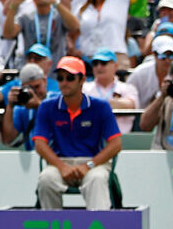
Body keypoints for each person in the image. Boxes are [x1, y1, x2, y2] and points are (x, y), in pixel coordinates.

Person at [33, 56, 123, 211]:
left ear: (82, 80)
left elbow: (116, 144)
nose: (64, 82)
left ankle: (100, 228)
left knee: (97, 178)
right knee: (46, 179)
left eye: (70, 78)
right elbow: (40, 144)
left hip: (94, 163)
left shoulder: (100, 107)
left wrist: (89, 165)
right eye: (60, 78)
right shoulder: (47, 107)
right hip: (59, 162)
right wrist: (62, 167)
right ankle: (52, 227)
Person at [0, 63, 52, 150]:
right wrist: (10, 106)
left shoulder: (56, 100)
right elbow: (8, 139)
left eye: (37, 86)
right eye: (30, 88)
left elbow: (65, 126)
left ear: (45, 81)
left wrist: (39, 106)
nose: (34, 92)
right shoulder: (22, 109)